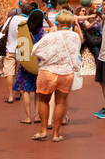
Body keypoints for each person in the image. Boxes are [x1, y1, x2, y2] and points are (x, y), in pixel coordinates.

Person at [32, 10, 81, 142]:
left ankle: (43, 130)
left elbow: (35, 49)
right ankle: (55, 134)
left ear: (58, 22)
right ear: (71, 23)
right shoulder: (75, 36)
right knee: (61, 102)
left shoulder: (51, 35)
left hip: (48, 72)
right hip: (66, 74)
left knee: (43, 100)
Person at [13, 8, 44, 126]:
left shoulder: (23, 29)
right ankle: (37, 115)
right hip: (38, 64)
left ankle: (27, 117)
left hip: (26, 63)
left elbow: (21, 47)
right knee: (37, 91)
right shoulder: (41, 32)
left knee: (25, 90)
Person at [2, 0, 29, 103]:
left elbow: (2, 31)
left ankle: (10, 96)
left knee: (9, 73)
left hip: (10, 48)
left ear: (20, 9)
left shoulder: (11, 19)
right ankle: (18, 93)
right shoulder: (28, 20)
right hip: (23, 49)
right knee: (19, 72)